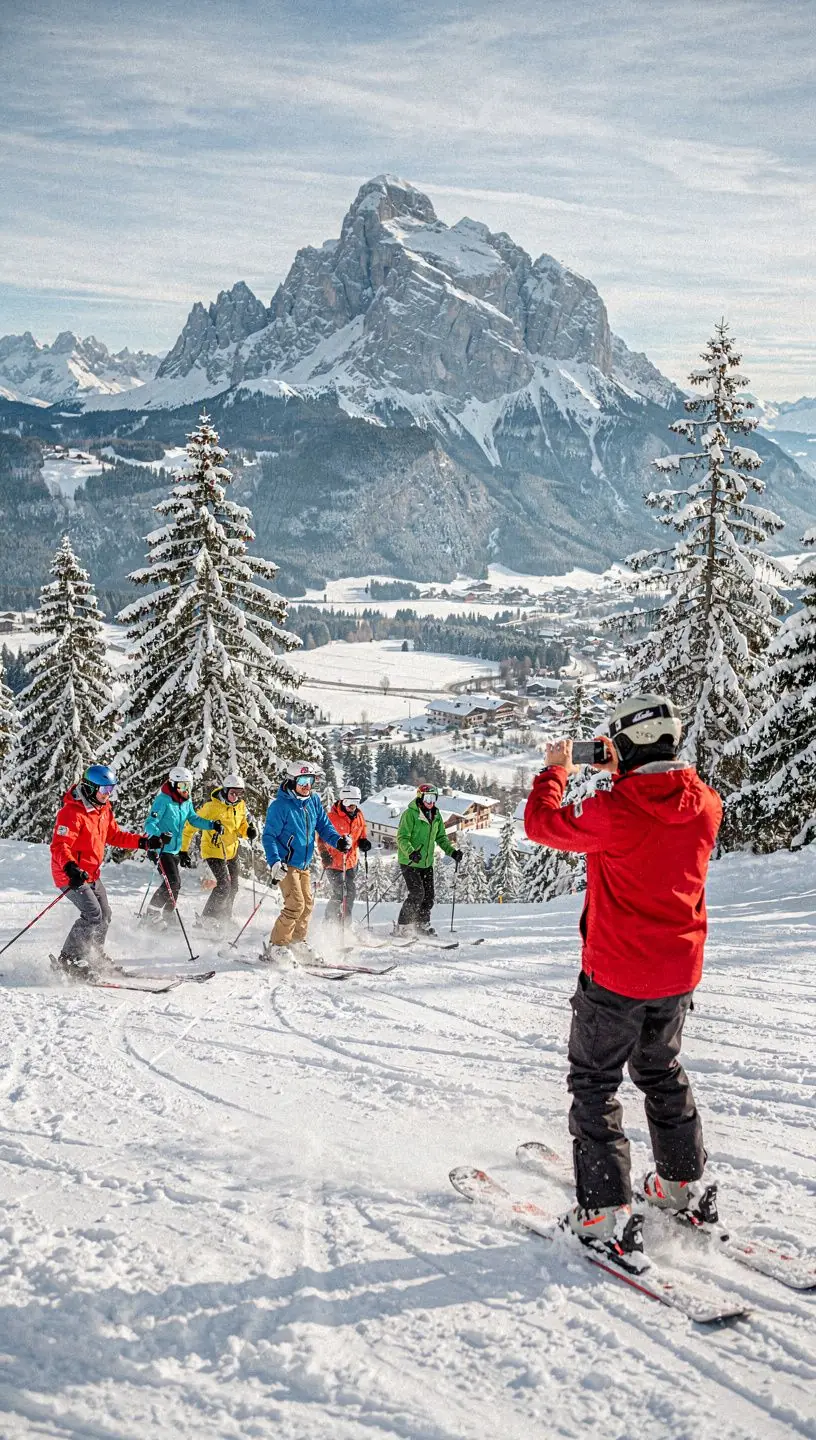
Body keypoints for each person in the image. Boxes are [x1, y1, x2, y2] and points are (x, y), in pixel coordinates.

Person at [524, 693, 722, 1266]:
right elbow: (667, 800)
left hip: (615, 975)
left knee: (594, 1082)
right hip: (677, 973)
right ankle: (683, 1189)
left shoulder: (616, 809)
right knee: (660, 1071)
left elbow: (542, 824)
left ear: (627, 746)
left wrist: (556, 769)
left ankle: (605, 1213)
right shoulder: (706, 804)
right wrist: (629, 767)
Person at [50, 763, 165, 977]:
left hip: (91, 874)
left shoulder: (103, 809)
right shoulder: (71, 813)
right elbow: (59, 846)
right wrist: (71, 867)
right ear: (91, 788)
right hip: (70, 874)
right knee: (92, 914)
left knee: (105, 915)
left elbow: (114, 835)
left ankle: (93, 953)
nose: (108, 795)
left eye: (111, 790)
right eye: (105, 790)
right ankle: (68, 959)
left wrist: (144, 843)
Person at [261, 761, 350, 960]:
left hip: (304, 864)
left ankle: (296, 941)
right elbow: (269, 836)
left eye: (310, 780)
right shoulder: (280, 806)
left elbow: (324, 826)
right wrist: (275, 862)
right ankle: (276, 946)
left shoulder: (313, 801)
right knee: (295, 905)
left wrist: (338, 841)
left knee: (307, 905)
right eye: (302, 780)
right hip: (285, 864)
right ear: (292, 781)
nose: (307, 785)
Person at [142, 766, 222, 925]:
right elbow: (149, 824)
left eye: (189, 786)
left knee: (175, 884)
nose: (186, 790)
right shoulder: (163, 800)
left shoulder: (186, 802)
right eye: (183, 786)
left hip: (174, 849)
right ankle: (151, 914)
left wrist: (212, 825)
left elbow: (194, 819)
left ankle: (168, 913)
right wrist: (159, 835)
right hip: (160, 848)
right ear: (173, 784)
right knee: (172, 881)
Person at [182, 771, 257, 928]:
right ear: (225, 790)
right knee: (223, 886)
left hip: (231, 850)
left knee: (234, 887)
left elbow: (241, 825)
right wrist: (183, 850)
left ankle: (224, 917)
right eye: (232, 793)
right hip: (213, 851)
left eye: (239, 793)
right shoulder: (211, 807)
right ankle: (206, 918)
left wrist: (247, 831)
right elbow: (190, 825)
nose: (235, 796)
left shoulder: (240, 806)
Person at [395, 783, 462, 937]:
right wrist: (411, 853)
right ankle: (403, 926)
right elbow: (402, 838)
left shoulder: (436, 815)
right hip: (409, 861)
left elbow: (441, 837)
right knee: (417, 893)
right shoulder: (410, 814)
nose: (431, 802)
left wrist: (452, 852)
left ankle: (421, 924)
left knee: (429, 896)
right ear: (420, 797)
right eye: (428, 798)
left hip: (426, 863)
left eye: (434, 798)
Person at [317, 784, 372, 928]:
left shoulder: (359, 815)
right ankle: (330, 922)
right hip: (334, 863)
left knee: (350, 894)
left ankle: (345, 924)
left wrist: (363, 841)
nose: (352, 808)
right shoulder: (331, 818)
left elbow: (361, 832)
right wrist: (324, 854)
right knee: (339, 894)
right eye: (349, 804)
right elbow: (321, 839)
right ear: (343, 801)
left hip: (351, 863)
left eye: (355, 804)